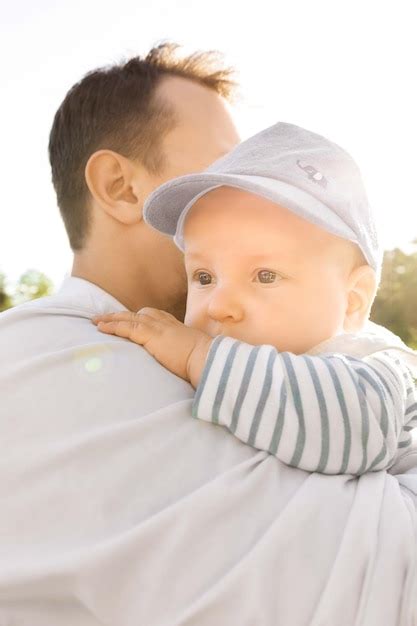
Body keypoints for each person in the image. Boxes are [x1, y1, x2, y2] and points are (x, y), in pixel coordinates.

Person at [0, 46, 416, 625]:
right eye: (225, 167)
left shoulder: (343, 353)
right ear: (120, 186)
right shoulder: (61, 363)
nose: (254, 186)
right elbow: (387, 580)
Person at [93, 122, 417, 476]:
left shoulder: (374, 363)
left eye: (265, 276)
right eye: (204, 277)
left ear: (352, 301)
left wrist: (197, 356)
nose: (219, 306)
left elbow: (351, 431)